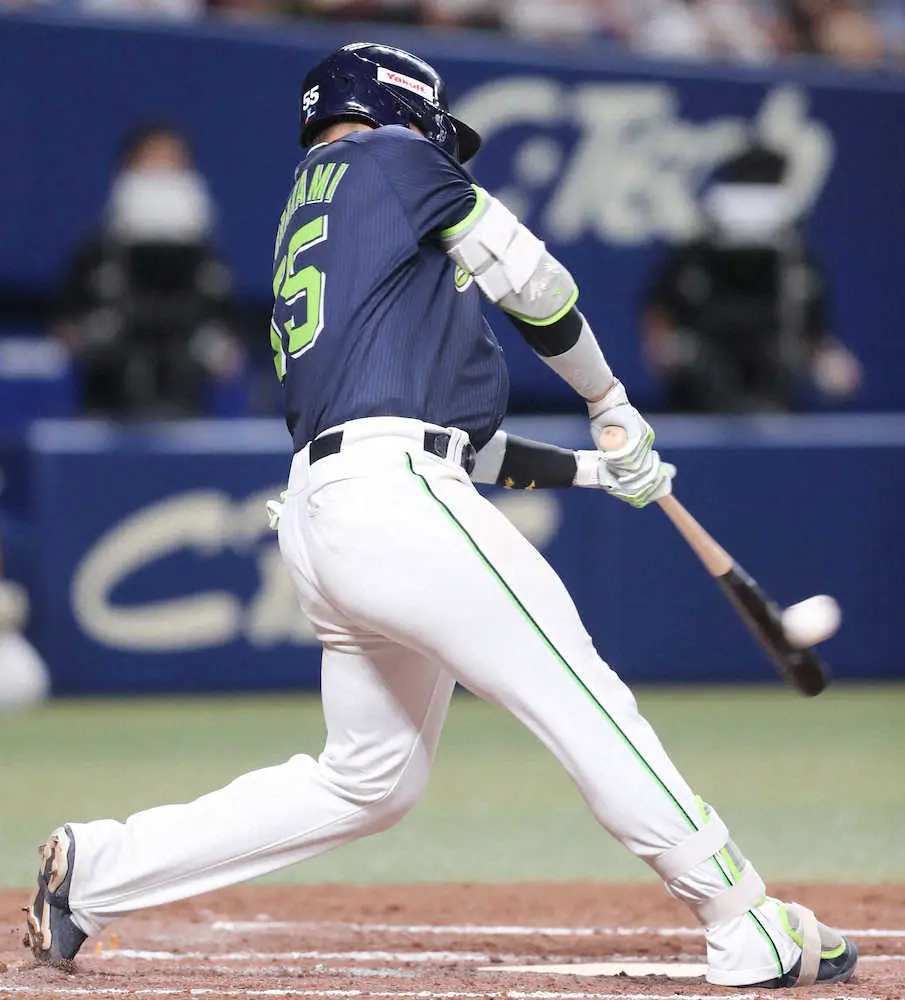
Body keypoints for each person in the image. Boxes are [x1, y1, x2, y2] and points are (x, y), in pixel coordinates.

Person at [25, 43, 857, 990]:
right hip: (394, 500)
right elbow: (533, 281)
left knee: (366, 780)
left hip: (336, 510)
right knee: (579, 694)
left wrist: (595, 469)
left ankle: (101, 872)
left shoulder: (325, 219)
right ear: (403, 112)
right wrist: (608, 396)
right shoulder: (388, 156)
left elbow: (457, 442)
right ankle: (741, 917)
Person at [641, 144, 861, 412]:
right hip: (698, 388)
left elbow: (814, 329)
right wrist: (663, 344)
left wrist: (825, 358)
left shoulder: (793, 261)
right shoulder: (696, 254)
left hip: (772, 389)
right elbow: (659, 306)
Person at [54, 124, 244, 418]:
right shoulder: (94, 259)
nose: (162, 175)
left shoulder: (210, 266)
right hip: (106, 410)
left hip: (188, 413)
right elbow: (64, 334)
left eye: (172, 163)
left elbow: (230, 348)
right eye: (151, 162)